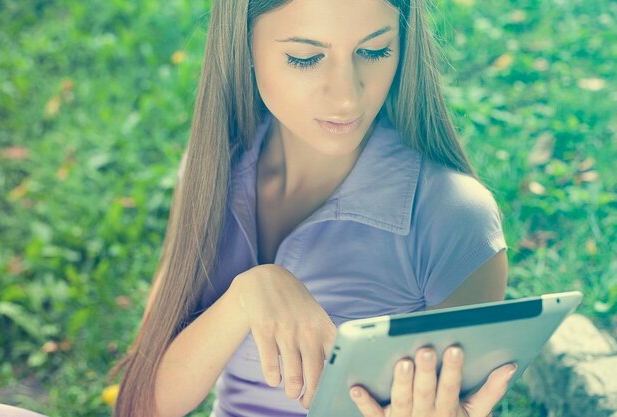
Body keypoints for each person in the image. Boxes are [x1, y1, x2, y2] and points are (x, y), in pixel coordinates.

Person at [110, 0, 515, 416]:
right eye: (305, 57)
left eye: (374, 51)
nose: (345, 97)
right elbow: (139, 408)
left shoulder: (453, 217)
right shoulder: (215, 167)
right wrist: (247, 296)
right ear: (242, 46)